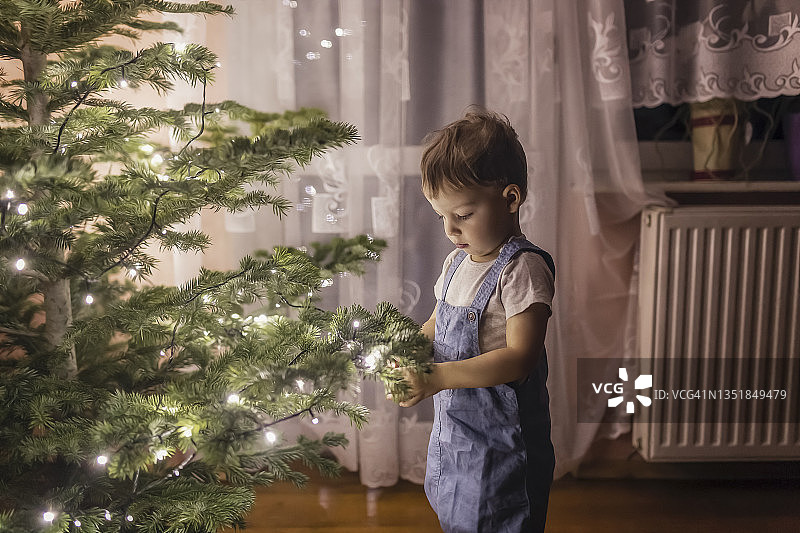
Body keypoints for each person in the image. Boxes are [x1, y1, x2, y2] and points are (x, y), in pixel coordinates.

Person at [394, 109, 556, 533]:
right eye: (441, 216)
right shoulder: (456, 263)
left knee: (497, 521)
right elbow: (436, 324)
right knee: (458, 517)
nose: (450, 229)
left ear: (510, 199)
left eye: (463, 215)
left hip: (502, 447)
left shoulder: (521, 269)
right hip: (456, 439)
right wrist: (409, 349)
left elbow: (520, 357)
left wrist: (437, 378)